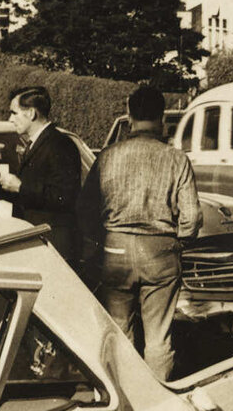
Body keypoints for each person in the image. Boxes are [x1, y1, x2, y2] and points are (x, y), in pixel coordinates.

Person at [78, 82, 199, 381]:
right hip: (160, 251)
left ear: (129, 115)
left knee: (119, 330)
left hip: (113, 251)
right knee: (159, 337)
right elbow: (192, 217)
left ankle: (128, 395)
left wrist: (98, 240)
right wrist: (179, 240)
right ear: (162, 118)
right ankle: (158, 397)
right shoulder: (176, 159)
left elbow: (85, 208)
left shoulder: (107, 156)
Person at [0, 85, 83, 270]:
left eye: (14, 113)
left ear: (31, 113)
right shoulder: (37, 142)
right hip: (39, 240)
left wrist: (20, 187)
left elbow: (64, 196)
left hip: (54, 243)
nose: (10, 119)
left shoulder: (60, 144)